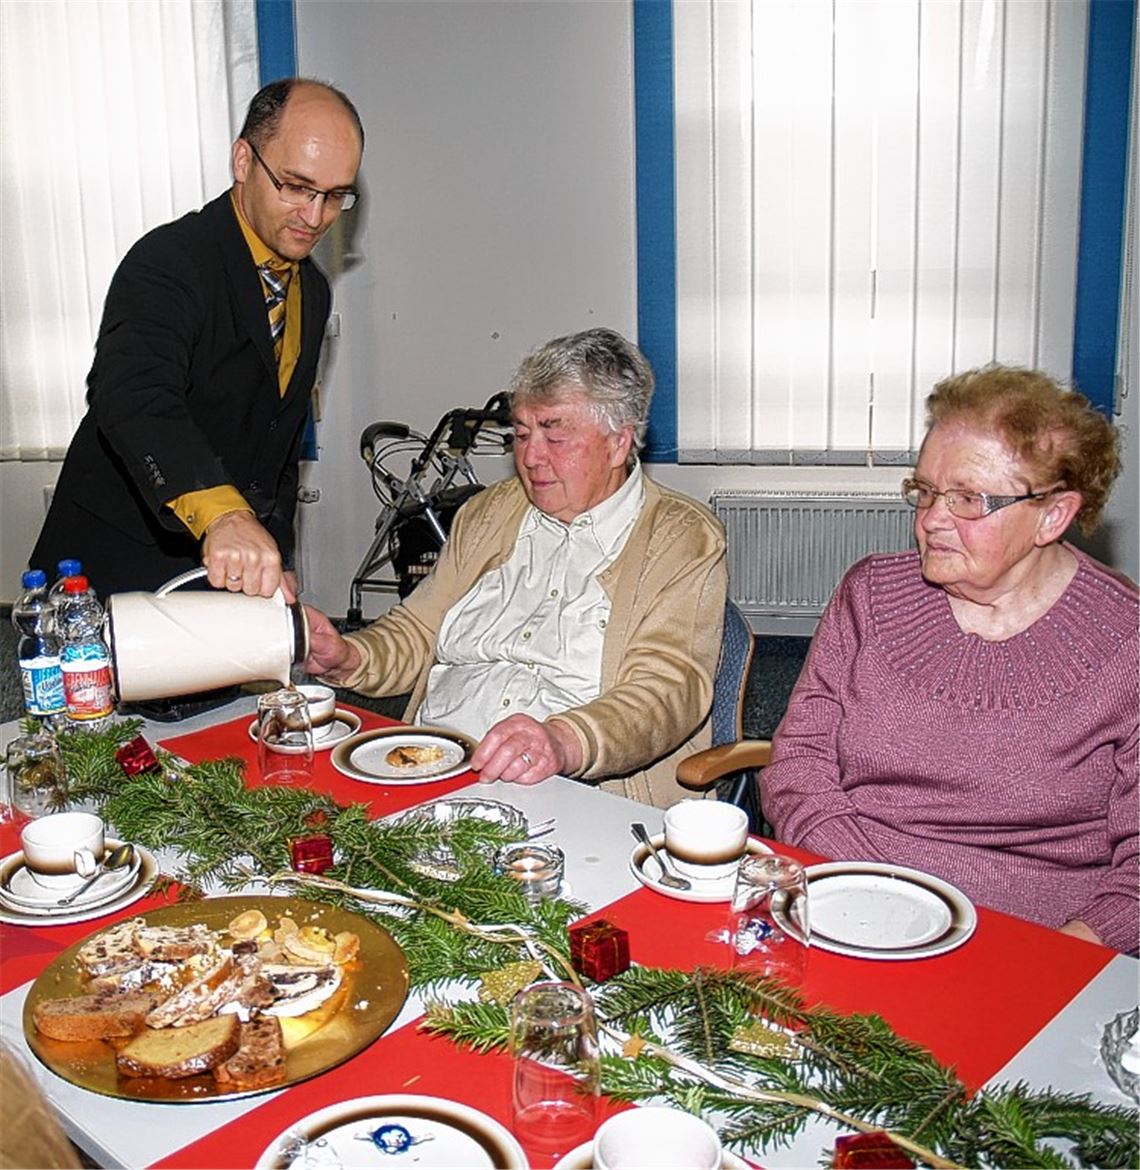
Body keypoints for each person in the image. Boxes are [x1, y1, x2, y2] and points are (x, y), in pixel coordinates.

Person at [763, 365, 1138, 953]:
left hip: (1036, 942)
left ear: (1053, 515)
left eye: (967, 499)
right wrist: (869, 886)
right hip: (849, 900)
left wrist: (1061, 957)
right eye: (927, 491)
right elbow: (799, 764)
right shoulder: (870, 595)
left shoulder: (1128, 642)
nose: (932, 518)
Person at [305, 327, 728, 806]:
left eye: (555, 435)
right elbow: (420, 629)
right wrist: (348, 656)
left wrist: (565, 741)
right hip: (435, 764)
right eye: (522, 434)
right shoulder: (489, 513)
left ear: (617, 444)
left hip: (575, 788)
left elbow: (667, 690)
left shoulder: (680, 538)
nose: (530, 457)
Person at [30, 78, 364, 601]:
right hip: (114, 563)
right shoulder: (169, 261)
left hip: (227, 569)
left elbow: (276, 443)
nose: (316, 216)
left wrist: (277, 550)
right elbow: (134, 394)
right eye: (296, 187)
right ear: (243, 160)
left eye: (335, 195)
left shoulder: (313, 290)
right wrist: (224, 514)